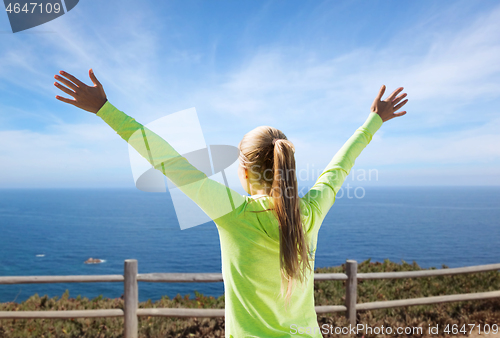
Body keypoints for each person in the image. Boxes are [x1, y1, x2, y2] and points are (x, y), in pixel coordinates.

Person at [54, 69, 408, 337]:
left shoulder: (234, 213)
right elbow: (339, 167)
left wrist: (104, 109)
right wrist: (374, 119)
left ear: (243, 170)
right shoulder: (310, 213)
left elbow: (168, 160)